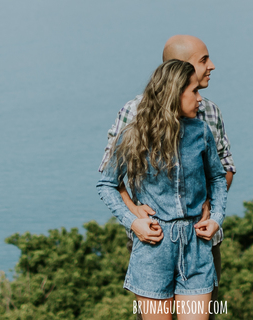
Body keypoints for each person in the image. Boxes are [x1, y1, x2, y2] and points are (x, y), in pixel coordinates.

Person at [97, 35, 235, 288]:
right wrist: (133, 211)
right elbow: (109, 175)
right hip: (153, 240)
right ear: (179, 70)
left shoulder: (210, 111)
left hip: (202, 239)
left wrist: (210, 208)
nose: (212, 65)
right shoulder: (134, 112)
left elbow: (224, 168)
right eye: (203, 60)